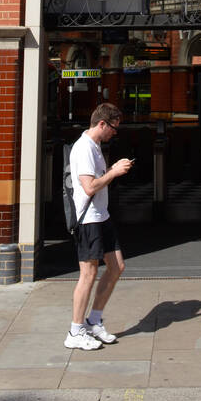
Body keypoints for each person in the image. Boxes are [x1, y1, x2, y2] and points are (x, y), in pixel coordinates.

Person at [64, 102, 133, 350]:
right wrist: (114, 172)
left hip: (101, 216)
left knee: (116, 266)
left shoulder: (95, 145)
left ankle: (94, 321)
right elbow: (89, 187)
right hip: (88, 219)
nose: (115, 132)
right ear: (102, 123)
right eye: (113, 127)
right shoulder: (84, 148)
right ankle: (75, 330)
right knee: (88, 274)